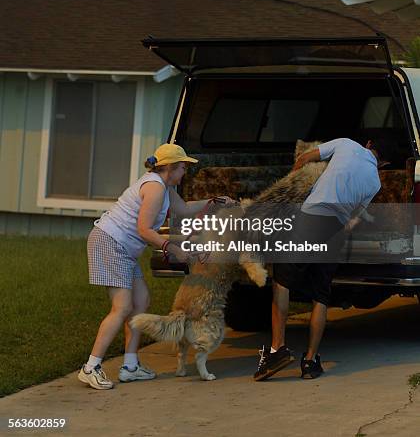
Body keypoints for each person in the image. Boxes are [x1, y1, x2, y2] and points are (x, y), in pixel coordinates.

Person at [78, 143, 224, 390]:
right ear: (170, 168)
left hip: (123, 248)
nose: (184, 173)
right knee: (122, 307)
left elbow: (185, 209)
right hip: (111, 242)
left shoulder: (165, 187)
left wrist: (213, 202)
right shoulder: (155, 189)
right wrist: (174, 249)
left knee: (141, 301)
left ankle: (131, 366)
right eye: (182, 168)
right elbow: (144, 230)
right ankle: (91, 367)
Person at [254, 138, 387, 382]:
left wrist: (290, 189)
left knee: (282, 279)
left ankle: (277, 349)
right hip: (336, 228)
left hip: (311, 216)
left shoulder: (346, 144)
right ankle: (310, 361)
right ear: (385, 162)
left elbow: (305, 158)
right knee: (321, 294)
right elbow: (355, 216)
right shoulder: (375, 181)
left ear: (368, 143)